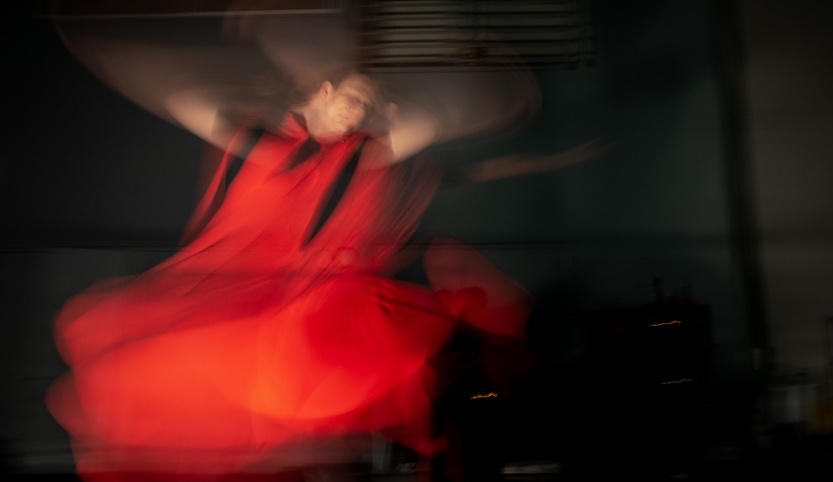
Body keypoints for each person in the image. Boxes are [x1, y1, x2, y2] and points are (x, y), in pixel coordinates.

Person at [45, 69, 536, 482]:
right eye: (351, 98)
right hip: (247, 287)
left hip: (306, 295)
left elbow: (420, 131)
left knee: (286, 378)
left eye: (367, 105)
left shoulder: (360, 156)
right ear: (324, 91)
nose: (357, 111)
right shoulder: (271, 142)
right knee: (185, 376)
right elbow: (192, 103)